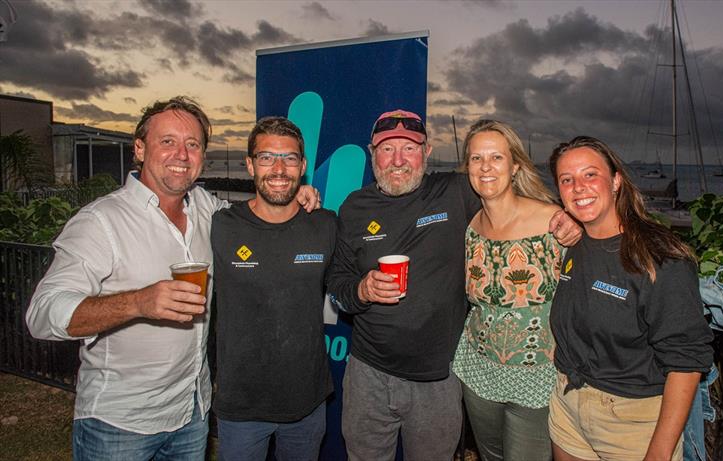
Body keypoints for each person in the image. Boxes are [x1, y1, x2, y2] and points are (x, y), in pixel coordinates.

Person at [25, 96, 319, 460]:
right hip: (120, 425)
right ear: (139, 148)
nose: (181, 154)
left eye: (192, 144)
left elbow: (257, 216)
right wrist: (138, 302)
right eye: (167, 141)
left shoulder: (208, 210)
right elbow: (43, 313)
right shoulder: (100, 222)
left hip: (190, 416)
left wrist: (291, 194)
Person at [326, 110, 581, 461]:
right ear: (372, 154)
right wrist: (361, 291)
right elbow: (338, 283)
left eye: (409, 149)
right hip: (368, 374)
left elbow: (505, 194)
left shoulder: (456, 192)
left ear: (427, 152)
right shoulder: (354, 207)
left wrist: (567, 216)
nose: (398, 160)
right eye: (387, 149)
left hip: (439, 379)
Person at [546, 136, 714, 461]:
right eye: (567, 180)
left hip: (632, 420)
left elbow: (686, 361)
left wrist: (660, 451)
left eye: (590, 174)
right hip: (568, 404)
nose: (578, 187)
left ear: (616, 181)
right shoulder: (574, 245)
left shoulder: (659, 257)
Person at [210, 117, 335, 461]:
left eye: (289, 158)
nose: (279, 169)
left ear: (303, 166)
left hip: (306, 405)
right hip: (241, 408)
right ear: (250, 164)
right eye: (266, 157)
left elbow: (347, 283)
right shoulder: (220, 224)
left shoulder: (325, 225)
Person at [451, 120, 563, 461]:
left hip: (539, 376)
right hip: (478, 371)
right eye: (476, 158)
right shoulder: (470, 225)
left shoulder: (554, 223)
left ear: (515, 165)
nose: (485, 167)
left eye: (496, 158)